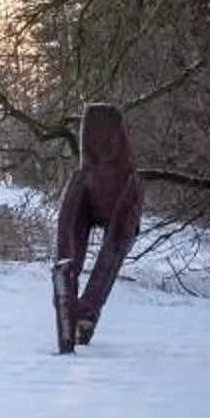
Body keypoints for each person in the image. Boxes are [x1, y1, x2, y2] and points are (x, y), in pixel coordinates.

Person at [52, 102, 143, 354]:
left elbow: (114, 246)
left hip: (119, 194)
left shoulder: (126, 182)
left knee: (107, 252)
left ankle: (81, 315)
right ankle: (76, 315)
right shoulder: (85, 177)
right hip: (92, 185)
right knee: (69, 259)